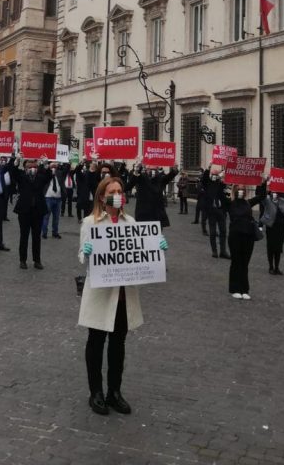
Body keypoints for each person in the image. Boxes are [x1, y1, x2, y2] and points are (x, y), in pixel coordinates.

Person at [78, 175, 168, 415]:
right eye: (112, 191)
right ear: (102, 196)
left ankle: (114, 392)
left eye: (120, 190)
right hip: (100, 293)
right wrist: (87, 252)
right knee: (96, 343)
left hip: (123, 294)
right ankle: (95, 392)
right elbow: (82, 255)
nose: (117, 194)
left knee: (118, 344)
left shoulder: (131, 221)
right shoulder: (91, 222)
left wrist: (155, 247)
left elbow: (139, 250)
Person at [9, 156, 51, 269]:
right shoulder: (22, 176)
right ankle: (22, 260)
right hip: (24, 210)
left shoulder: (41, 177)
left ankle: (37, 260)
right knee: (24, 236)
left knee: (36, 237)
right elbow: (13, 172)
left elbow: (49, 176)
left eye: (34, 167)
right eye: (30, 167)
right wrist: (16, 161)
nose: (32, 168)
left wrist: (46, 165)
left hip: (38, 210)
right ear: (26, 168)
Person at [227, 185, 262, 300]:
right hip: (235, 235)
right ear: (235, 191)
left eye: (242, 189)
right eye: (238, 189)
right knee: (236, 261)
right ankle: (234, 288)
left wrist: (262, 182)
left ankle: (244, 289)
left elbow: (261, 196)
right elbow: (215, 193)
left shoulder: (248, 203)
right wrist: (219, 179)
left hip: (248, 236)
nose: (241, 191)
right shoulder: (230, 203)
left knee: (245, 263)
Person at [260, 184, 284, 274]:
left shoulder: (283, 201)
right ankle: (271, 267)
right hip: (271, 227)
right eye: (273, 192)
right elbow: (261, 197)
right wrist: (263, 184)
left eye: (276, 192)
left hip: (281, 227)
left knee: (278, 247)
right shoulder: (268, 201)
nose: (275, 194)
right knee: (271, 247)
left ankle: (277, 267)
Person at [200, 166, 230, 258]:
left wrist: (223, 176)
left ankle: (223, 251)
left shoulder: (220, 184)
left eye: (215, 175)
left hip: (221, 210)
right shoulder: (207, 183)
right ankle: (214, 251)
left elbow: (226, 193)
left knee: (223, 231)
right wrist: (208, 168)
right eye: (213, 174)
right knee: (212, 232)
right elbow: (204, 178)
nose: (214, 176)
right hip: (211, 211)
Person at [41, 161, 67, 240]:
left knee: (56, 218)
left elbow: (66, 169)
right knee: (46, 217)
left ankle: (55, 232)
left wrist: (65, 161)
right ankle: (44, 233)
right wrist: (46, 165)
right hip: (48, 197)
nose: (53, 166)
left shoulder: (59, 173)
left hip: (58, 198)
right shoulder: (46, 173)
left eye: (55, 165)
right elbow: (42, 171)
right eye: (52, 165)